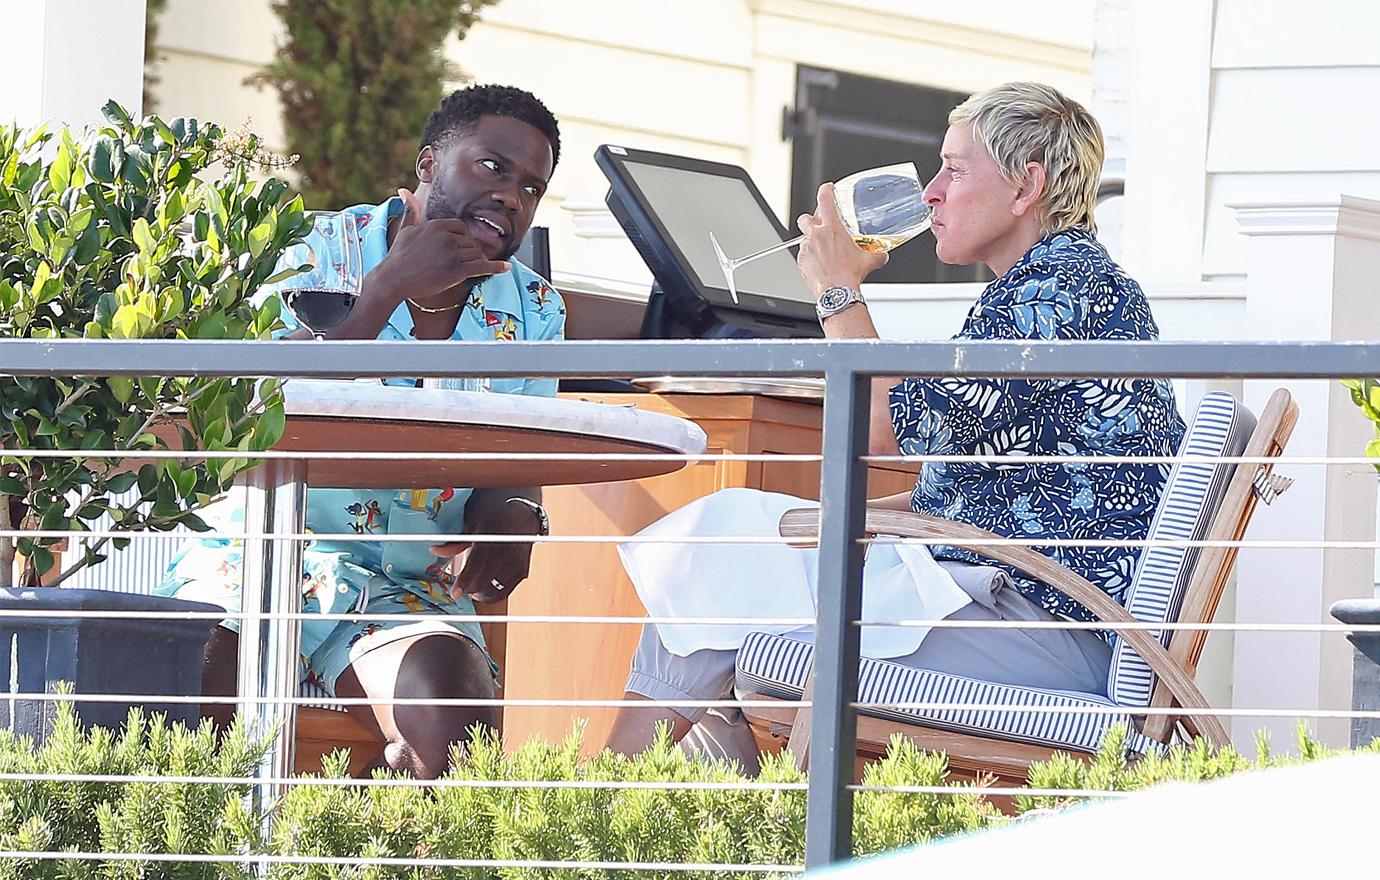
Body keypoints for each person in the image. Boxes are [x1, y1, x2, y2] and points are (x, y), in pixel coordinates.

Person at [604, 82, 1186, 766]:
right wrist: (815, 526)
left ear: (1026, 188)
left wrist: (836, 290)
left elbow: (881, 427)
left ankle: (592, 809)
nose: (932, 192)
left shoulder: (1052, 293)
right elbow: (975, 490)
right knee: (731, 557)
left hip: (1049, 632)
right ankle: (656, 817)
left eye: (955, 169)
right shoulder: (1064, 284)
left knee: (729, 591)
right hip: (1026, 605)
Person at [158, 84, 564, 778]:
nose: (511, 197)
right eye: (492, 167)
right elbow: (255, 405)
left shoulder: (533, 308)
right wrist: (384, 290)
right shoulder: (304, 249)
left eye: (532, 187)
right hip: (250, 556)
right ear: (429, 164)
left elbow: (517, 454)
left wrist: (515, 516)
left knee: (456, 722)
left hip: (400, 587)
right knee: (192, 714)